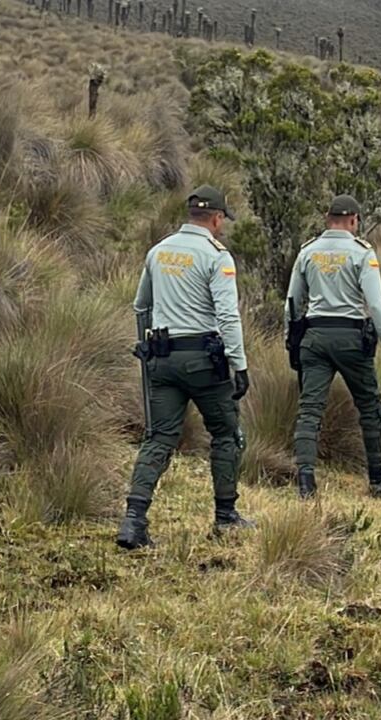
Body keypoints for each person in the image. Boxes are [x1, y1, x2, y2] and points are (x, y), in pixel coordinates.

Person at [118, 186, 251, 550]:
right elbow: (227, 315)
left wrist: (148, 348)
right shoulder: (216, 256)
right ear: (216, 218)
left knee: (158, 438)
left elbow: (141, 305)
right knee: (226, 434)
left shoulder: (158, 251)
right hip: (204, 362)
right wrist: (238, 363)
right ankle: (226, 516)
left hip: (161, 359)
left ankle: (133, 521)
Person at [285, 194, 381, 499]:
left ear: (328, 219)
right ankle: (378, 477)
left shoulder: (307, 252)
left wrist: (292, 340)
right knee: (370, 407)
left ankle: (306, 482)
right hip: (351, 338)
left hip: (314, 337)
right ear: (354, 220)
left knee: (309, 410)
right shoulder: (362, 253)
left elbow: (292, 303)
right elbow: (376, 305)